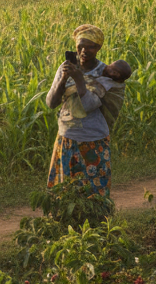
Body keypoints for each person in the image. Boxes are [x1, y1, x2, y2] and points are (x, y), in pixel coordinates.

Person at [45, 24, 113, 196]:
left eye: (89, 46)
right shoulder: (65, 67)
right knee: (66, 194)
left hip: (93, 142)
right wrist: (64, 79)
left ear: (98, 47)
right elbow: (51, 103)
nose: (83, 50)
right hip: (66, 140)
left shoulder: (104, 73)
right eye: (80, 46)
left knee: (94, 195)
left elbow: (90, 105)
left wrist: (78, 79)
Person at [95, 60, 133, 132]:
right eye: (110, 67)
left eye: (114, 72)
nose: (109, 70)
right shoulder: (111, 77)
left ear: (120, 78)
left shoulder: (110, 85)